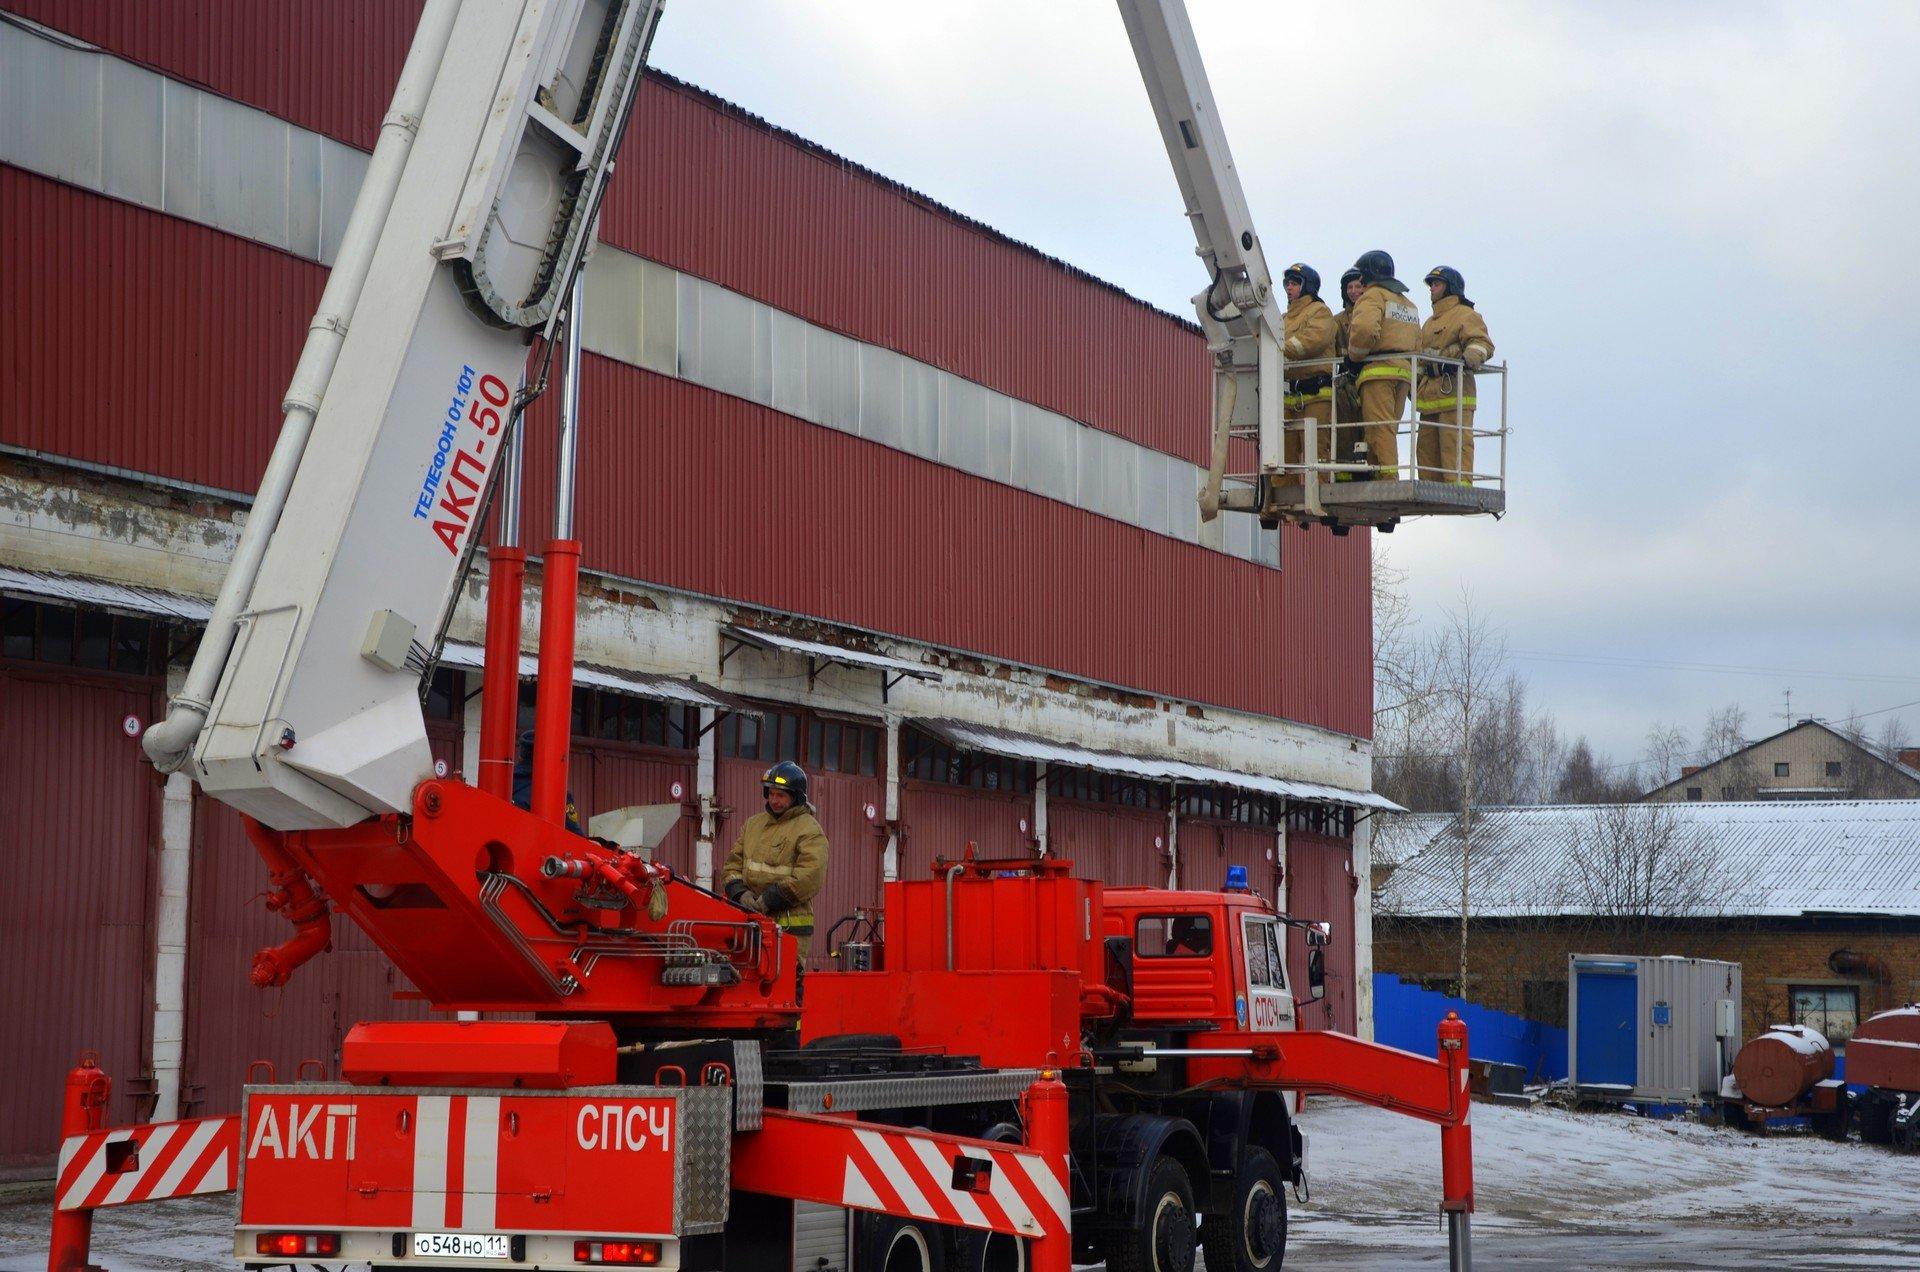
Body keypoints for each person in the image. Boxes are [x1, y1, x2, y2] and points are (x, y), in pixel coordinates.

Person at [722, 760, 829, 996]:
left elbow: (809, 876)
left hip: (789, 928)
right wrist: (740, 894)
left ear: (796, 797)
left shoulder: (809, 830)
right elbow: (731, 866)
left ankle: (792, 1022)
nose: (774, 800)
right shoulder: (753, 825)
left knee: (786, 988)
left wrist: (770, 899)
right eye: (771, 793)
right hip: (749, 923)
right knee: (745, 988)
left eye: (780, 795)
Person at [1342, 250, 1421, 480]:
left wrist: (1354, 358)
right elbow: (1418, 342)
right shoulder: (1407, 303)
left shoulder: (1372, 296)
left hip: (1378, 372)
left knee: (1379, 429)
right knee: (1388, 429)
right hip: (1404, 373)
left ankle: (1388, 479)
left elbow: (1364, 330)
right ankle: (1380, 475)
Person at [1416, 266, 1495, 484]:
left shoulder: (1466, 315)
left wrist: (1465, 360)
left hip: (1455, 395)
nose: (1432, 288)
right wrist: (1414, 387)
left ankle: (1461, 490)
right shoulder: (1429, 324)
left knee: (1455, 449)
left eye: (1436, 284)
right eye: (1431, 284)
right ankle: (1429, 492)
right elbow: (1421, 361)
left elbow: (1482, 344)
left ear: (1450, 287)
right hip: (1429, 399)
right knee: (1426, 454)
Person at [1280, 263, 1337, 477]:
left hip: (1316, 395)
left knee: (1316, 453)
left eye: (1295, 283)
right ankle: (1283, 496)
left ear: (1308, 286)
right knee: (1282, 454)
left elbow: (1313, 339)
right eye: (1287, 283)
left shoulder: (1320, 312)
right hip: (1288, 396)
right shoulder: (1282, 319)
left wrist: (1281, 349)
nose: (1289, 287)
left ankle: (1320, 492)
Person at [511, 728, 581, 833]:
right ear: (548, 755)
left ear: (521, 755)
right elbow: (574, 832)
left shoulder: (506, 783)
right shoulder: (558, 794)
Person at [1331, 267, 1366, 478]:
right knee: (1345, 434)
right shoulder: (1337, 321)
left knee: (1370, 430)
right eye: (1349, 287)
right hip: (1345, 386)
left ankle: (1369, 473)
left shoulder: (1373, 314)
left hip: (1368, 380)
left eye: (1358, 286)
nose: (1353, 291)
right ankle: (1344, 477)